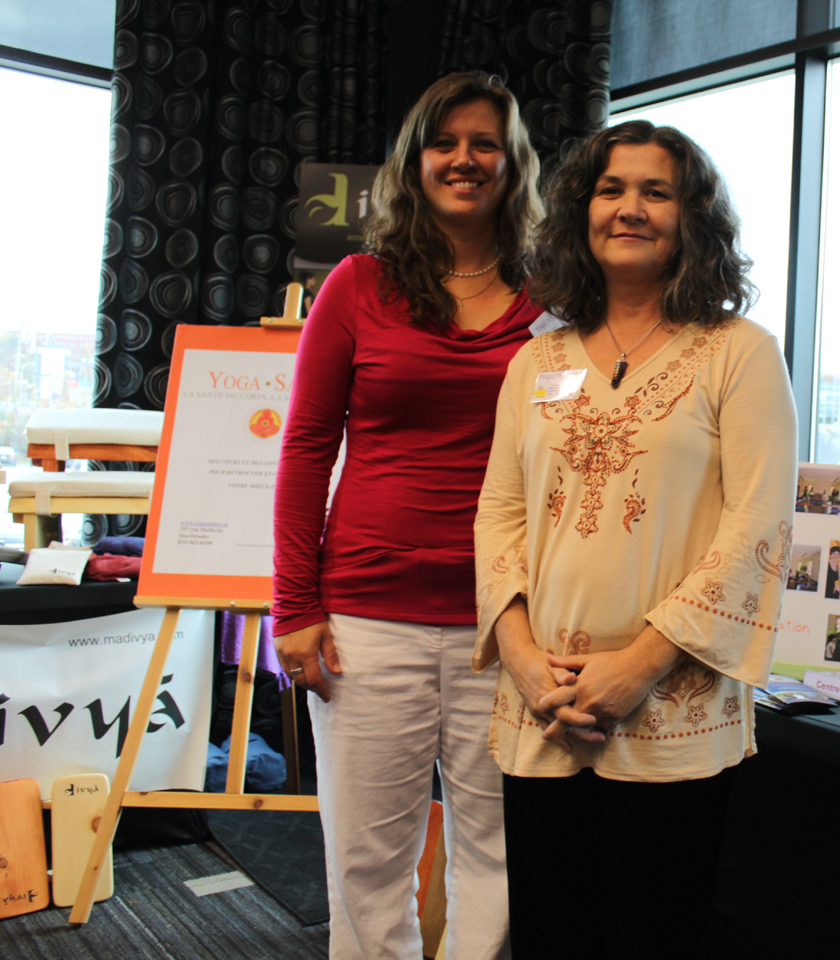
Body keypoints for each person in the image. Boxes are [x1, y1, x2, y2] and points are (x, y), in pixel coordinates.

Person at [471, 119, 796, 960]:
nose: (632, 208)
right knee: (549, 934)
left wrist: (637, 668)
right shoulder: (534, 364)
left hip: (667, 710)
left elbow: (758, 522)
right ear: (581, 210)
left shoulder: (739, 354)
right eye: (612, 189)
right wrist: (522, 658)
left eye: (658, 191)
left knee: (650, 936)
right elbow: (499, 512)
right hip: (542, 704)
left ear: (693, 217)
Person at [271, 72, 542, 960]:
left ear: (513, 163)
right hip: (365, 619)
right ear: (415, 161)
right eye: (444, 141)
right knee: (366, 856)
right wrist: (294, 607)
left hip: (508, 625)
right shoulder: (357, 286)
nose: (464, 158)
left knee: (496, 855)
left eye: (485, 142)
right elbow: (306, 449)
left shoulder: (553, 302)